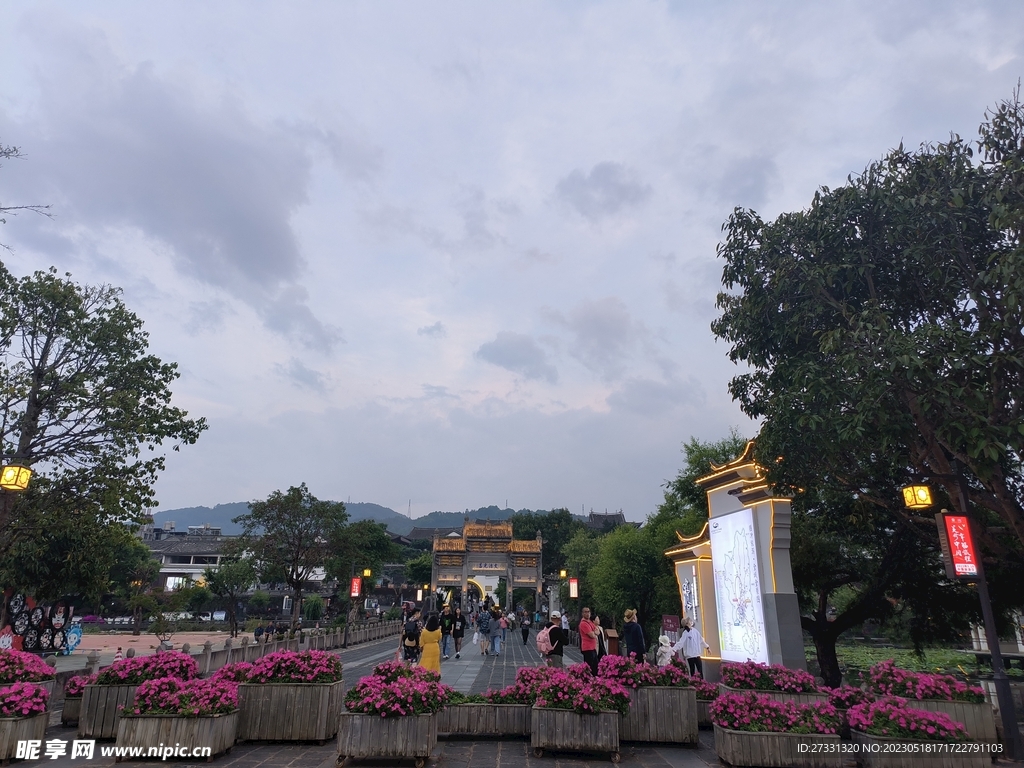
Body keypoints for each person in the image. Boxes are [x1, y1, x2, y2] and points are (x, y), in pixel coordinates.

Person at [578, 607, 599, 674]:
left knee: (595, 667)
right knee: (589, 668)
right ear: (582, 613)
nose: (587, 613)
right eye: (586, 612)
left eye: (588, 611)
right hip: (587, 648)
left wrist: (594, 632)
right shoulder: (583, 623)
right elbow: (592, 635)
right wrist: (594, 633)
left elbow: (598, 631)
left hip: (593, 647)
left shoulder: (590, 622)